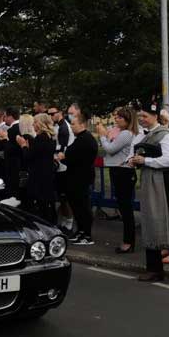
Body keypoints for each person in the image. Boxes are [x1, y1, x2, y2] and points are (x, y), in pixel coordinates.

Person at [128, 103, 169, 287]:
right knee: (150, 222)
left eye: (145, 116)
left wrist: (145, 160)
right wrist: (133, 160)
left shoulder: (164, 135)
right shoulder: (144, 134)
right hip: (150, 181)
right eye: (140, 116)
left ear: (155, 116)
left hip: (165, 183)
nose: (141, 119)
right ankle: (154, 269)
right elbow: (136, 152)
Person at [97, 107, 139, 253]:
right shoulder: (121, 132)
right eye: (117, 117)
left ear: (128, 120)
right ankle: (128, 240)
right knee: (123, 206)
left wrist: (102, 136)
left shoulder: (127, 133)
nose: (117, 119)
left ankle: (129, 242)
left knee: (126, 208)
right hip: (118, 170)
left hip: (124, 172)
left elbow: (110, 149)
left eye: (120, 117)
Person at [57, 111, 98, 245]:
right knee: (77, 207)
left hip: (81, 178)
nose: (72, 127)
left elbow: (74, 158)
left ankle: (86, 235)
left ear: (82, 124)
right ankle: (80, 231)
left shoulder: (85, 139)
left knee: (82, 207)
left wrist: (64, 158)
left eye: (73, 124)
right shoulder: (81, 138)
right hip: (76, 178)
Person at [16, 113, 56, 223]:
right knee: (47, 202)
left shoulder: (41, 137)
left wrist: (23, 145)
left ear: (40, 124)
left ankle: (46, 226)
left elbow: (29, 156)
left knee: (41, 203)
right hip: (47, 172)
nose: (33, 125)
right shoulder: (50, 137)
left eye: (35, 122)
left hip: (39, 174)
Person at [48, 105, 75, 233]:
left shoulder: (65, 127)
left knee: (65, 197)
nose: (51, 116)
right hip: (57, 163)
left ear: (60, 113)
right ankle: (64, 221)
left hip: (63, 165)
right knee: (60, 196)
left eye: (53, 113)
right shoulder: (56, 125)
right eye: (49, 114)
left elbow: (64, 147)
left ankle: (69, 223)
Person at [0, 107, 22, 197]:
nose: (5, 119)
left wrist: (2, 138)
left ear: (10, 117)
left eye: (5, 116)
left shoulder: (12, 129)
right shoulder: (17, 127)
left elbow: (6, 148)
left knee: (11, 190)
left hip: (12, 164)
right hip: (15, 164)